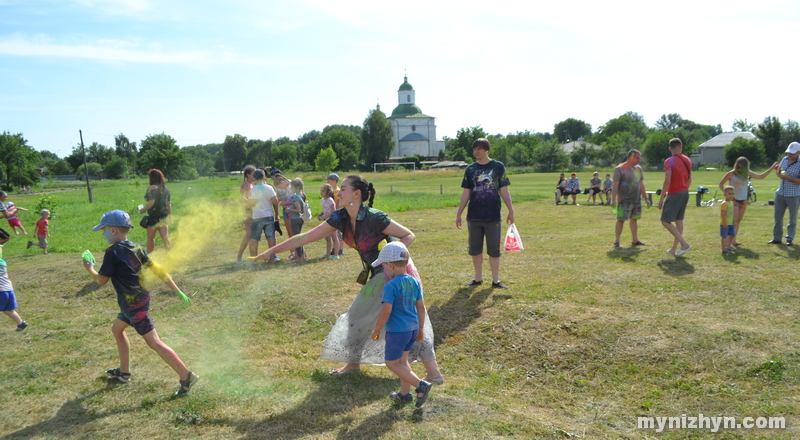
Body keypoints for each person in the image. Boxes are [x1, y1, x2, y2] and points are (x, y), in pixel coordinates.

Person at [253, 175, 444, 382]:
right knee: (369, 316)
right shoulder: (340, 218)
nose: (338, 192)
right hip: (380, 273)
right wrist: (270, 251)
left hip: (395, 273)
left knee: (388, 316)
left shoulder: (375, 217)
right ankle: (361, 364)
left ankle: (430, 373)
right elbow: (304, 237)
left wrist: (392, 261)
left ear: (356, 194)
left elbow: (408, 235)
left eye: (343, 189)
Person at [82, 210, 198, 395]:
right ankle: (124, 372)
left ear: (113, 230)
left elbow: (101, 280)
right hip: (138, 299)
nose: (103, 233)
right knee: (117, 330)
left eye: (103, 230)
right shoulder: (137, 247)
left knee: (155, 342)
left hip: (133, 305)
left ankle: (186, 375)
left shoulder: (112, 252)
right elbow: (158, 269)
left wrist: (90, 268)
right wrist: (177, 291)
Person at [370, 241, 432, 407]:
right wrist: (420, 327)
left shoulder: (391, 286)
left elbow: (386, 311)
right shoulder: (414, 282)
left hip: (397, 332)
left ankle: (420, 385)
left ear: (390, 266)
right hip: (412, 329)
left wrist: (376, 329)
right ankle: (404, 394)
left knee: (392, 363)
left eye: (383, 266)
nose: (383, 270)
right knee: (403, 362)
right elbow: (421, 307)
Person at [456, 138, 515, 289]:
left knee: (494, 249)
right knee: (475, 249)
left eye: (479, 149)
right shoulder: (470, 169)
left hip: (492, 215)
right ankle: (477, 278)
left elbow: (504, 190)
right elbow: (466, 192)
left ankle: (496, 280)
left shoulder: (497, 167)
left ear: (486, 150)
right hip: (474, 216)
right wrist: (459, 213)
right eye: (475, 149)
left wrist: (511, 210)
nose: (476, 152)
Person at [718, 157, 777, 246]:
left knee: (738, 221)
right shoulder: (731, 173)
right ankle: (729, 242)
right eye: (738, 167)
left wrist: (771, 168)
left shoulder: (747, 173)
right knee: (733, 221)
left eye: (742, 167)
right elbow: (721, 184)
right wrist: (727, 195)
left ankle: (734, 241)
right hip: (734, 201)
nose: (740, 169)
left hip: (743, 200)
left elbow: (761, 176)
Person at [658, 138, 692, 256]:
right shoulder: (687, 160)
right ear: (681, 146)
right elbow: (690, 179)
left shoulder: (669, 161)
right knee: (679, 221)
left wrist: (662, 198)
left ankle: (684, 244)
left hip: (675, 193)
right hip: (684, 192)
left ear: (670, 148)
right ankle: (674, 249)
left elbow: (667, 180)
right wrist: (684, 189)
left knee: (665, 221)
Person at [612, 150, 649, 248]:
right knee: (621, 220)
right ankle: (617, 241)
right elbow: (615, 185)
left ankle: (635, 240)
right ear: (631, 157)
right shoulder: (619, 169)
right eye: (637, 158)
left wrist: (646, 198)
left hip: (636, 199)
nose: (639, 160)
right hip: (624, 200)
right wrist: (613, 200)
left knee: (634, 219)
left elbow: (641, 184)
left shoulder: (638, 169)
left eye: (639, 158)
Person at [769, 142, 800, 246]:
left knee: (792, 218)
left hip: (794, 194)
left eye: (792, 153)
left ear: (798, 152)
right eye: (788, 153)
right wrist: (777, 171)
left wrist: (789, 178)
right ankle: (777, 238)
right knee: (777, 217)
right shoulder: (784, 159)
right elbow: (779, 173)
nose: (789, 155)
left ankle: (789, 239)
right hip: (781, 193)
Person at [249, 169, 280, 259]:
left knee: (254, 238)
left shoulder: (253, 190)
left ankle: (253, 258)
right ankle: (272, 257)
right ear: (264, 177)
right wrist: (277, 214)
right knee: (271, 237)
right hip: (268, 215)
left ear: (254, 178)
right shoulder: (269, 188)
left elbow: (251, 204)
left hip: (257, 216)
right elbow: (275, 202)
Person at [138, 169, 171, 254]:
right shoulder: (165, 189)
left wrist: (144, 209)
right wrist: (169, 215)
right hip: (164, 216)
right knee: (165, 237)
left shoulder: (152, 188)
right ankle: (170, 256)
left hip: (153, 217)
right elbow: (168, 204)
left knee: (151, 238)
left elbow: (151, 202)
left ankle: (149, 258)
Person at [0, 246, 28, 331]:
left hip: (1, 291)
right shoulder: (3, 263)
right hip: (9, 290)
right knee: (7, 309)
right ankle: (21, 324)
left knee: (6, 309)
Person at [236, 165, 256, 263]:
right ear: (248, 174)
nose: (255, 175)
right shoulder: (245, 184)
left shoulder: (253, 184)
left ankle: (252, 256)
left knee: (252, 235)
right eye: (253, 173)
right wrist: (250, 202)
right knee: (248, 234)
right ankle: (239, 256)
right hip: (247, 211)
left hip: (253, 210)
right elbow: (242, 198)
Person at [284, 178, 307, 262]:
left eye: (292, 186)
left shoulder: (295, 196)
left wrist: (289, 210)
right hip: (300, 219)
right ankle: (302, 255)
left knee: (296, 239)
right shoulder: (301, 194)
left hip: (295, 219)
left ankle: (300, 257)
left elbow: (298, 210)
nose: (290, 188)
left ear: (295, 187)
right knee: (299, 237)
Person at [317, 183, 341, 260]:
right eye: (321, 191)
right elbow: (325, 210)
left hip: (332, 221)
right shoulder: (322, 200)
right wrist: (321, 214)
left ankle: (336, 254)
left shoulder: (330, 200)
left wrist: (324, 216)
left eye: (323, 191)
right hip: (326, 221)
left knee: (334, 237)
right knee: (327, 237)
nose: (321, 192)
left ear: (328, 192)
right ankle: (328, 253)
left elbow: (333, 212)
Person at [327, 173, 344, 256]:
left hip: (338, 212)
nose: (328, 182)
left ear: (334, 181)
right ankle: (335, 248)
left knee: (339, 233)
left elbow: (337, 204)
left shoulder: (337, 191)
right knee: (334, 232)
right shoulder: (331, 190)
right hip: (334, 213)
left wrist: (336, 213)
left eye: (329, 181)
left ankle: (340, 249)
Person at [720, 186, 736, 253]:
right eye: (729, 194)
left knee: (732, 235)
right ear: (725, 194)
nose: (731, 195)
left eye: (732, 194)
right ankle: (724, 249)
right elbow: (723, 214)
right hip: (725, 223)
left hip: (730, 223)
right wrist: (724, 223)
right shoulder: (724, 204)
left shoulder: (731, 203)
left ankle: (729, 247)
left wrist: (733, 222)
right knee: (725, 236)